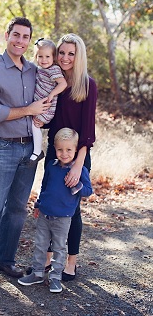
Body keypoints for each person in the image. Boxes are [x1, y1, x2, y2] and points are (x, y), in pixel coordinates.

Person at [0, 17, 51, 290]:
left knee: (16, 209)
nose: (20, 41)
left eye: (26, 37)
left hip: (30, 147)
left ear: (30, 41)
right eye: (16, 35)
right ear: (7, 35)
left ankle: (4, 260)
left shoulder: (33, 69)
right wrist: (29, 110)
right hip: (3, 147)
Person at [34, 33, 97, 281]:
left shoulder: (87, 84)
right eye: (62, 52)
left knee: (72, 211)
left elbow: (88, 130)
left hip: (77, 156)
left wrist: (76, 166)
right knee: (49, 205)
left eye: (71, 53)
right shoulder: (52, 80)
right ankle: (48, 261)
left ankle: (70, 263)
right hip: (54, 153)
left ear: (78, 56)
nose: (65, 57)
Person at [18, 128, 93, 293]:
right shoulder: (51, 167)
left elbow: (88, 191)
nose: (64, 153)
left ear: (75, 150)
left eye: (69, 150)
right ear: (55, 148)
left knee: (59, 247)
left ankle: (55, 278)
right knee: (41, 245)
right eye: (60, 149)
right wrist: (38, 204)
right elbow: (44, 187)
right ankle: (37, 273)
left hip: (64, 217)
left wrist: (76, 185)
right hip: (45, 214)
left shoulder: (79, 172)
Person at [29, 38, 67, 162]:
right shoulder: (39, 69)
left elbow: (63, 84)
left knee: (35, 125)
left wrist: (52, 94)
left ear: (53, 57)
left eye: (47, 56)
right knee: (32, 124)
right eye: (40, 56)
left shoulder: (53, 69)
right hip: (39, 106)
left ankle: (37, 150)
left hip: (47, 107)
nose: (44, 60)